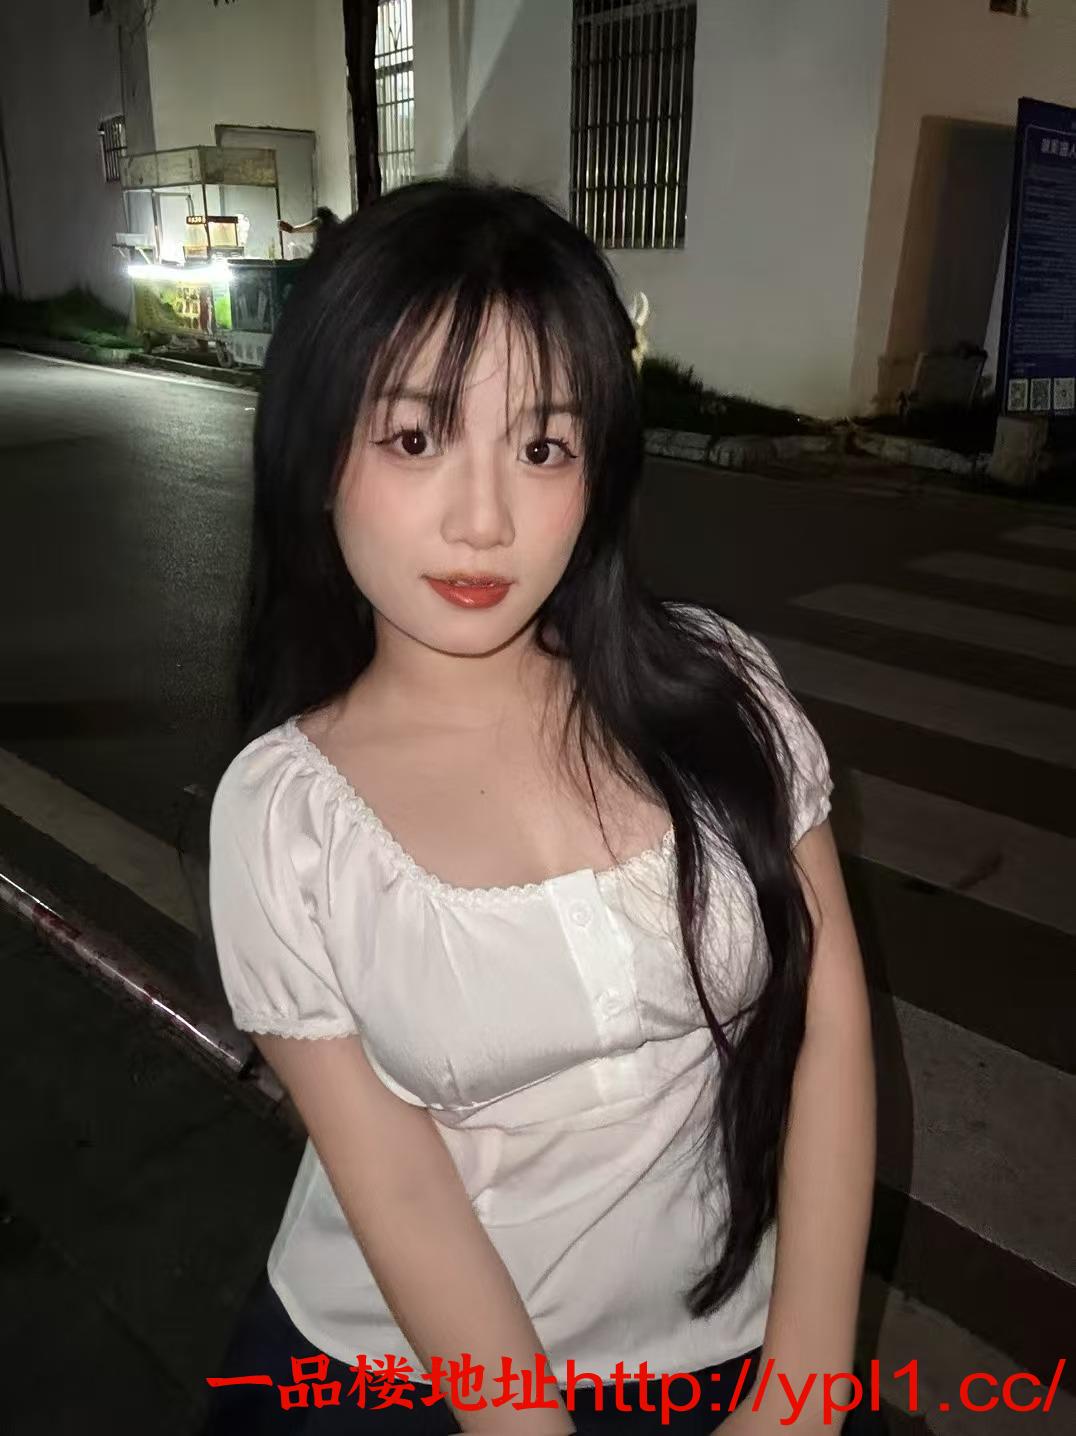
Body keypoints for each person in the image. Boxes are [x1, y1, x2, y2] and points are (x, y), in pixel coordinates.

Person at [200, 179, 880, 1435]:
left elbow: (827, 1019)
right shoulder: (288, 817)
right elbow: (400, 1188)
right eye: (416, 439)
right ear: (316, 455)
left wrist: (805, 1389)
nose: (484, 519)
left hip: (718, 1356)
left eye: (542, 447)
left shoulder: (718, 689)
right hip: (399, 1382)